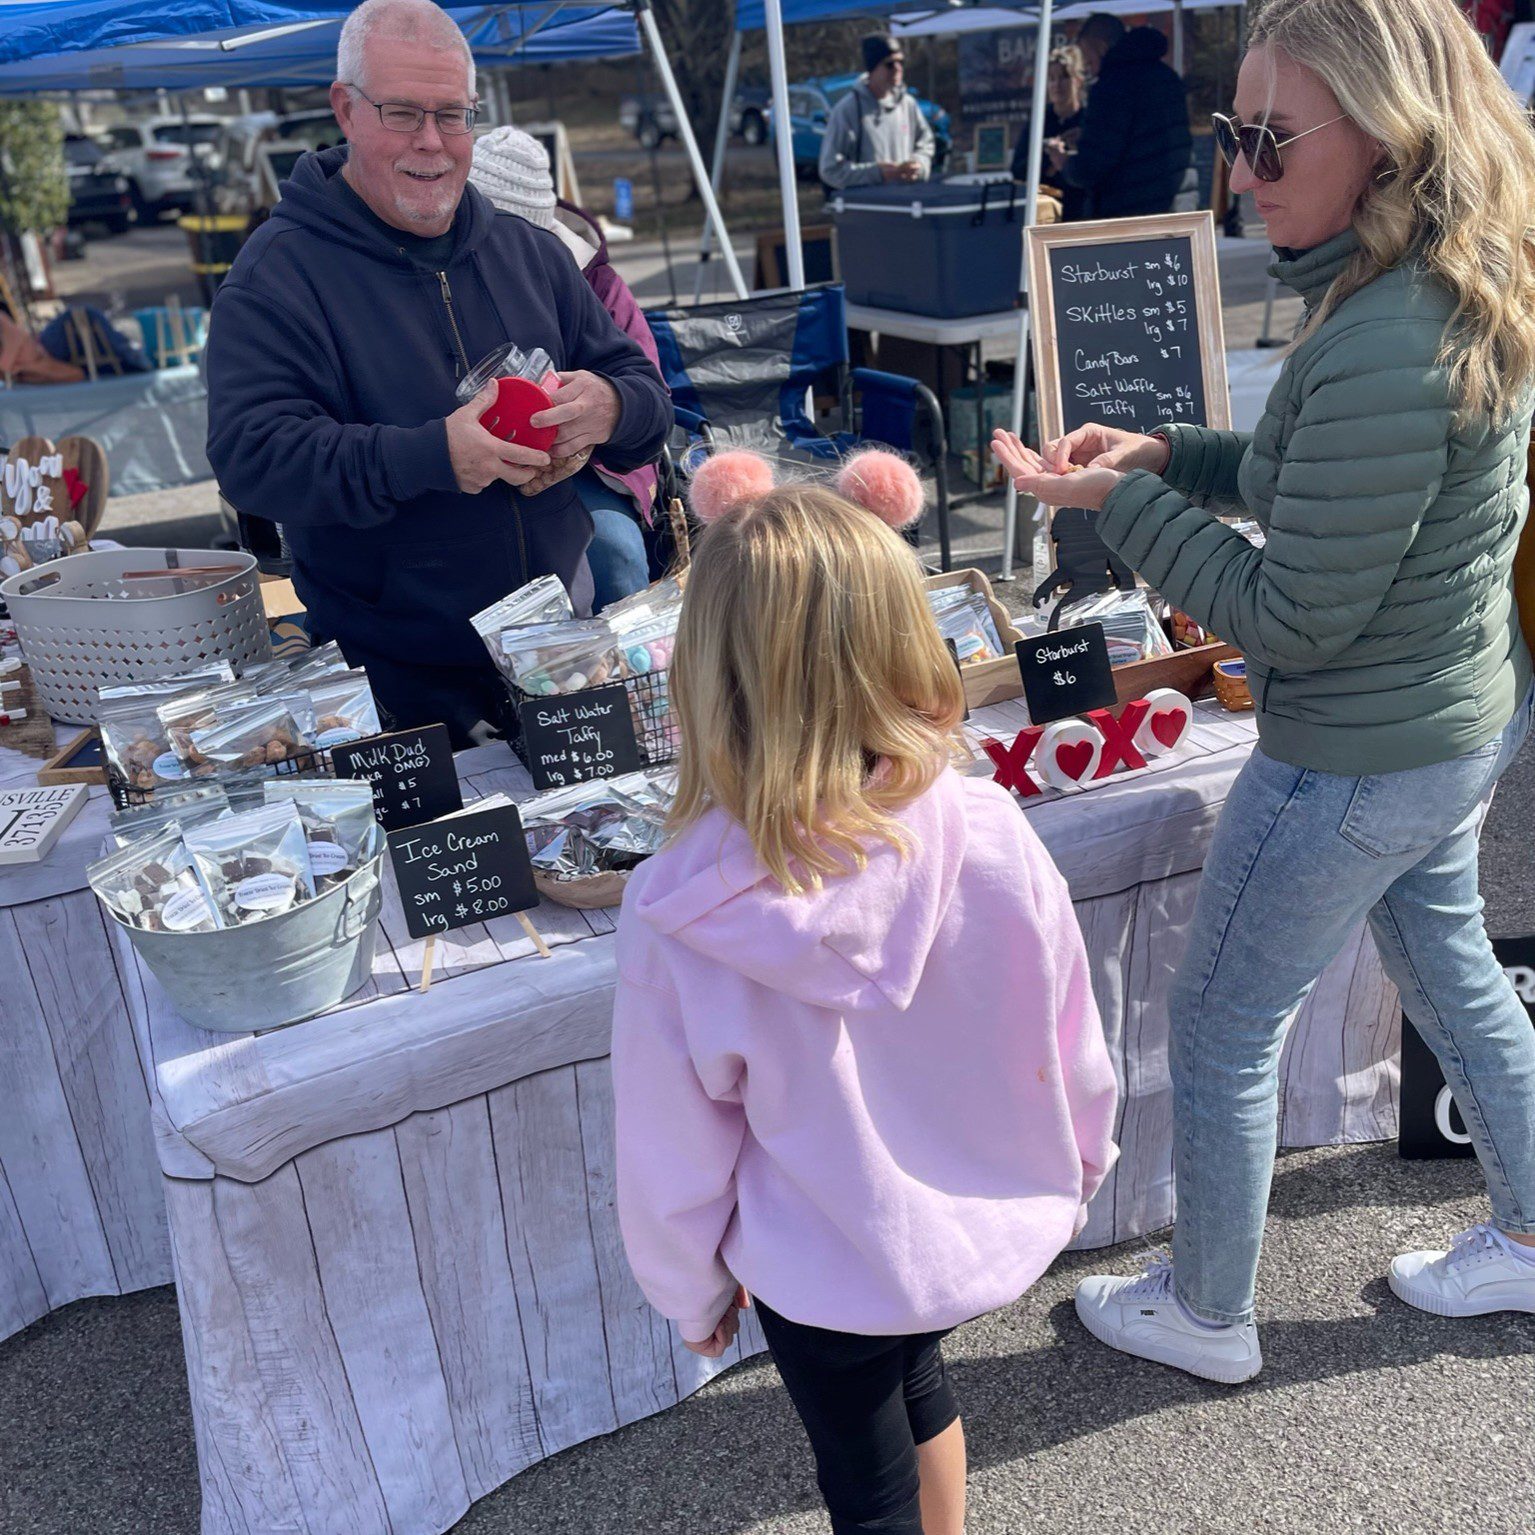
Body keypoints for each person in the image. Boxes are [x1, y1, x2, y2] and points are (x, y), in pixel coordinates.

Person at [995, 0, 1535, 1385]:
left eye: (1263, 136)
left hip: (1352, 754)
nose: (1236, 168)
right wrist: (1177, 454)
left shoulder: (1384, 329)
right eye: (1229, 133)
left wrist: (1118, 502)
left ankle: (1205, 1306)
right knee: (1454, 977)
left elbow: (1287, 617)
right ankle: (1530, 1235)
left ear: (1383, 129)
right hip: (1443, 721)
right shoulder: (1440, 280)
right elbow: (1330, 481)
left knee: (1224, 1022)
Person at [612, 449, 1118, 1535]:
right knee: (921, 1389)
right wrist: (1080, 1153)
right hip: (961, 1218)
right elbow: (1065, 1018)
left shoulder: (680, 905)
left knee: (861, 1471)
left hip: (818, 1252)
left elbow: (670, 1136)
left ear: (709, 671)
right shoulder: (984, 826)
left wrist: (687, 1284)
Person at [204, 0, 670, 745]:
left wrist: (609, 408)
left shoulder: (531, 251)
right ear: (345, 110)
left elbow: (651, 400)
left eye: (453, 115)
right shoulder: (279, 274)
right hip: (394, 685)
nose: (432, 142)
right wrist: (432, 457)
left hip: (560, 657)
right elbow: (251, 458)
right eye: (402, 114)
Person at [468, 124, 661, 612]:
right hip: (475, 465)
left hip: (593, 466)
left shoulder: (594, 279)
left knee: (613, 551)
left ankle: (633, 670)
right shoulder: (445, 276)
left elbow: (647, 390)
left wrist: (603, 410)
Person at [1050, 16, 1193, 219]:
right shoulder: (1166, 76)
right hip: (1178, 202)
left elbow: (1091, 166)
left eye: (1086, 56)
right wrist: (1088, 134)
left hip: (1132, 209)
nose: (1086, 65)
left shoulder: (1112, 86)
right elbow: (1143, 136)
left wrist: (1064, 163)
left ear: (1100, 46)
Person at [818, 33, 934, 191]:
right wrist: (877, 173)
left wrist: (919, 165)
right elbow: (830, 170)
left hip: (908, 205)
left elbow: (926, 143)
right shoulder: (848, 110)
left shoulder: (908, 104)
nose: (898, 69)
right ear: (873, 68)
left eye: (901, 62)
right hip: (868, 209)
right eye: (890, 64)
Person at [1013, 44, 1089, 221]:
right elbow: (1017, 170)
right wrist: (1048, 159)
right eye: (1051, 78)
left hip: (1083, 213)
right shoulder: (1039, 121)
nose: (1057, 85)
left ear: (1078, 80)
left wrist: (1070, 157)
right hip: (1045, 216)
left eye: (1064, 77)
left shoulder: (1089, 119)